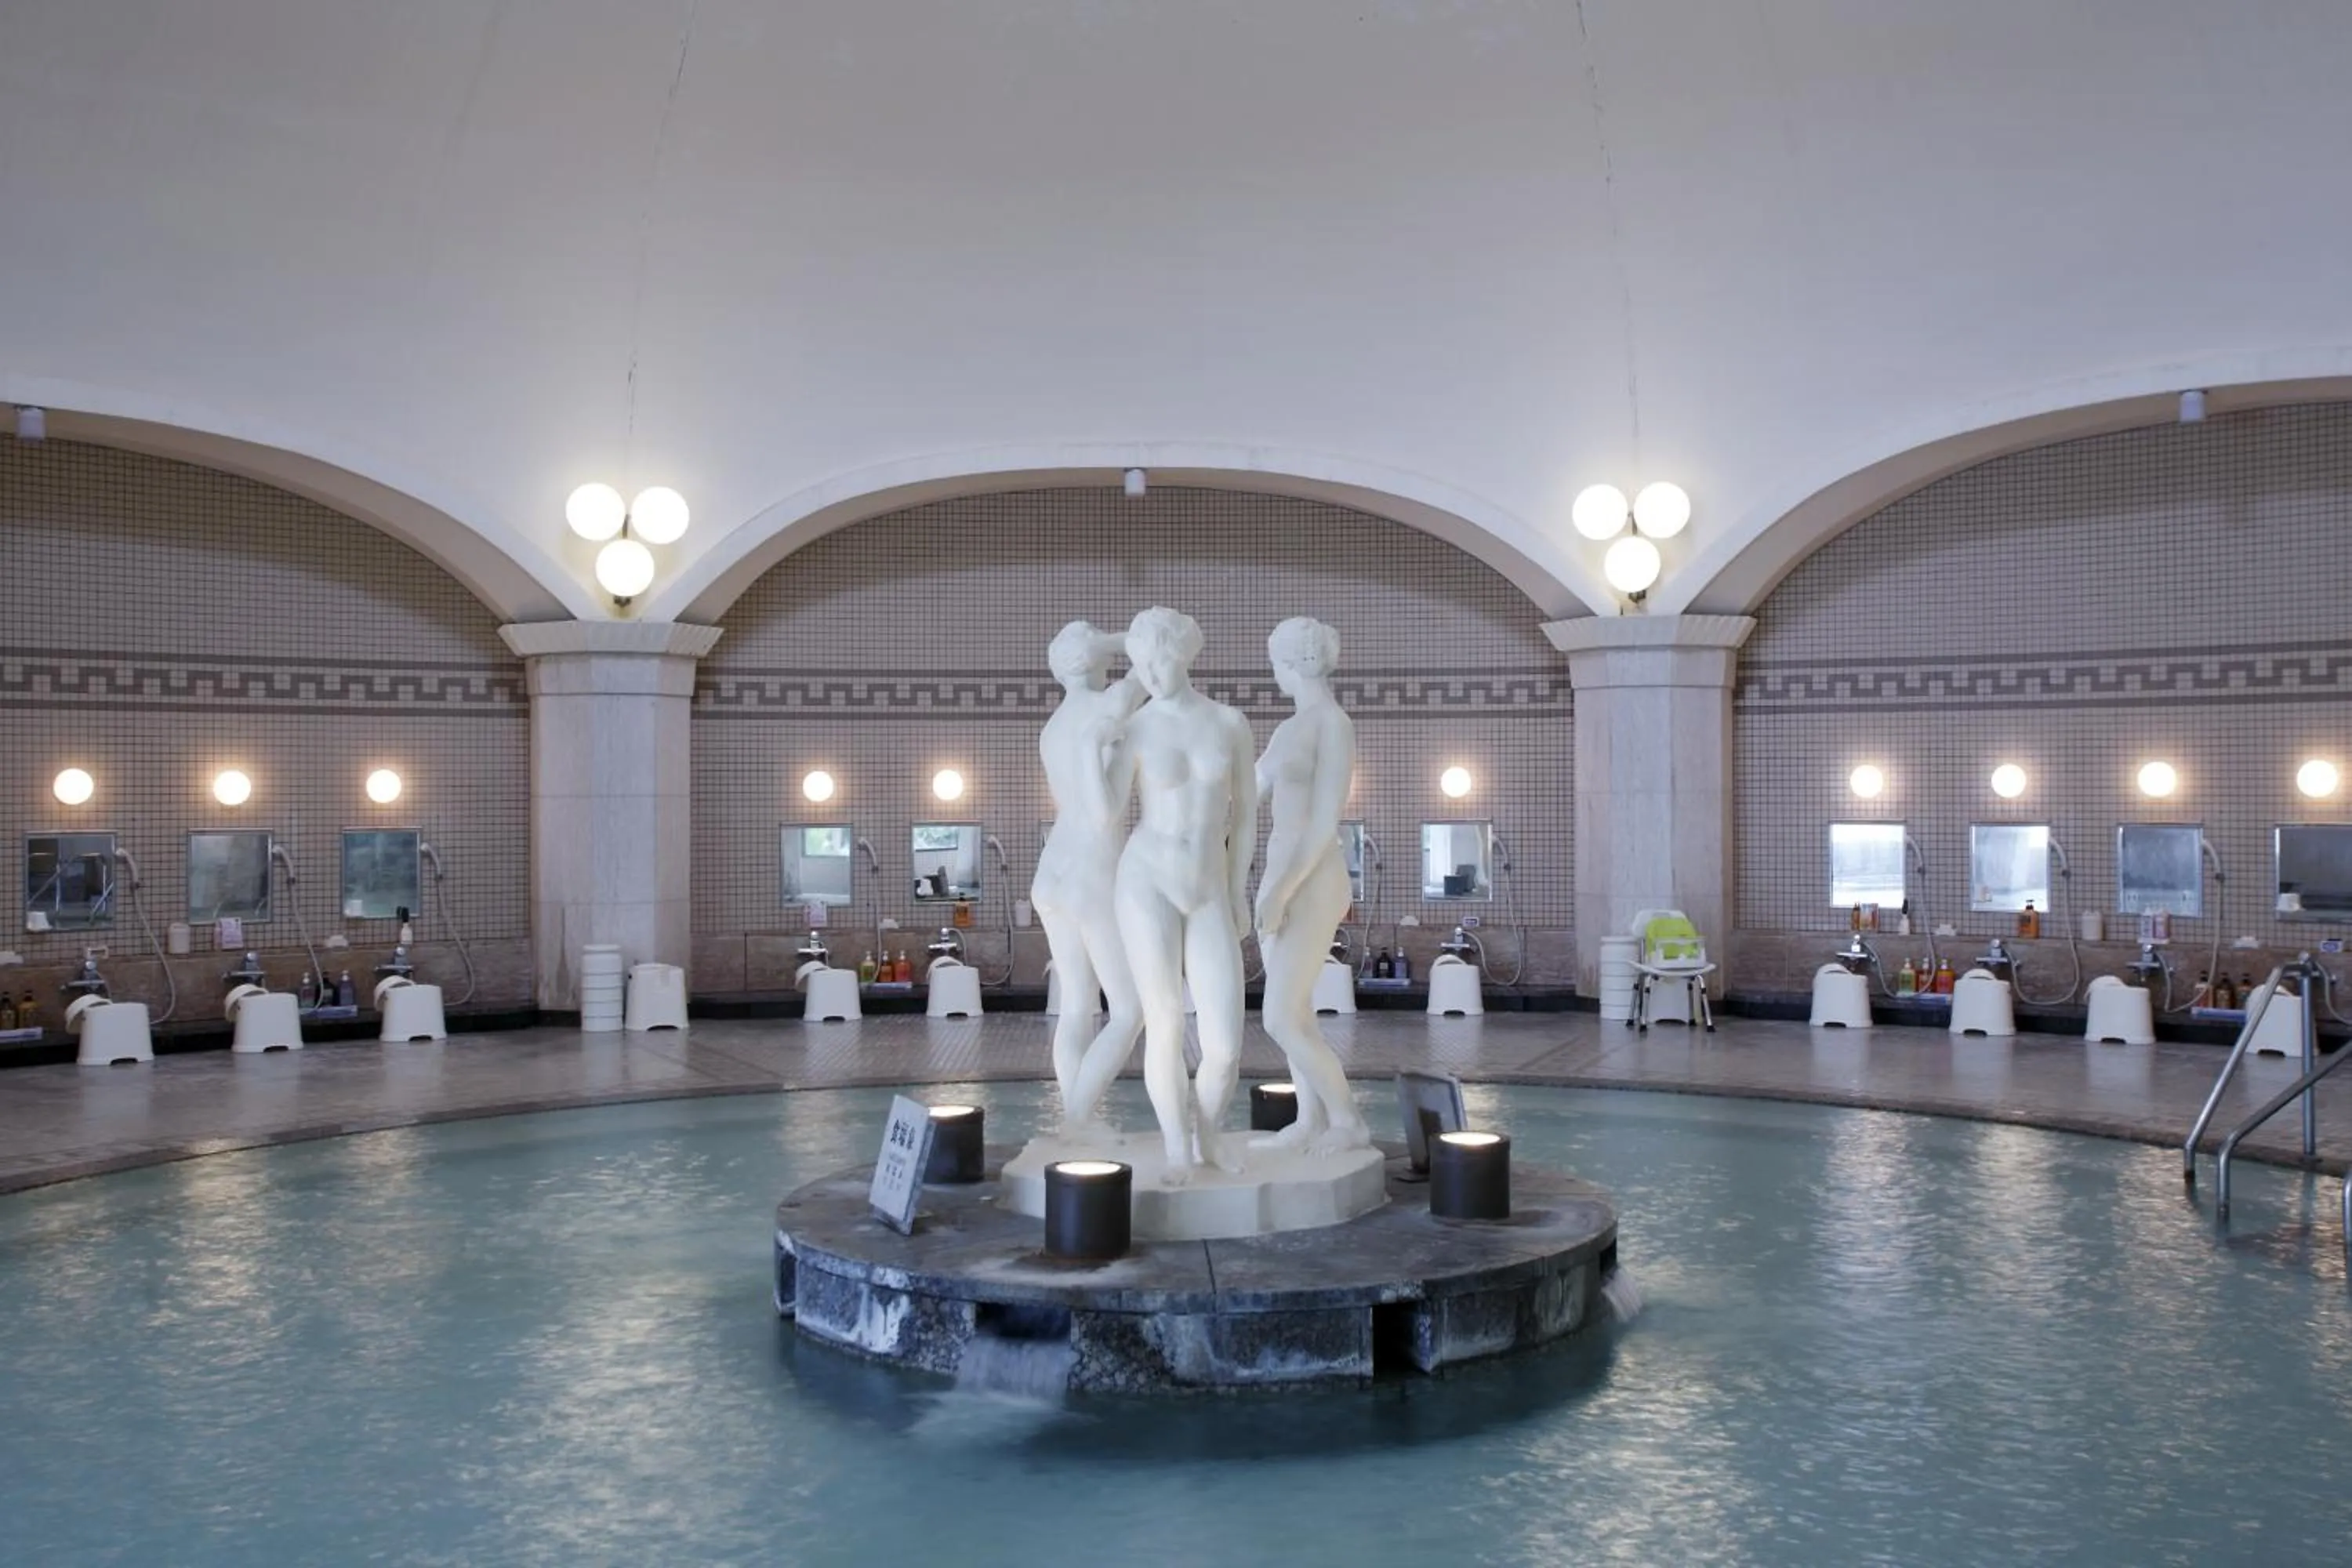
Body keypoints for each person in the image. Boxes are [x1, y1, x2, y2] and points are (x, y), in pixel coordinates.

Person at [1112, 606, 1257, 1183]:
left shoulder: (1229, 724)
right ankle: (1177, 1147)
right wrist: (1093, 748)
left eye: (1160, 658)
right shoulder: (1137, 727)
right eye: (1139, 662)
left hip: (1209, 888)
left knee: (1224, 1044)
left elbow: (1244, 816)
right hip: (1146, 877)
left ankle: (1210, 1132)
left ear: (1187, 654)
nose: (1149, 671)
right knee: (1166, 1018)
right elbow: (1102, 811)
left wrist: (1239, 889)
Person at [1250, 618, 1370, 1153]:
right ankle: (1309, 1119)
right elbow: (1246, 794)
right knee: (1294, 1012)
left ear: (1293, 662)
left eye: (1275, 661)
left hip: (1311, 878)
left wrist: (1281, 892)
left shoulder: (1331, 724)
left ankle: (1346, 1120)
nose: (1273, 672)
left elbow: (1324, 824)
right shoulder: (1288, 728)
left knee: (1278, 1015)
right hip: (1279, 875)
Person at [1032, 621, 1145, 1131]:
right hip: (1091, 870)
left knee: (1077, 1005)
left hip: (1051, 871)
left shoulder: (1053, 725)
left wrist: (1092, 647)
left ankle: (1076, 1119)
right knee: (1129, 1008)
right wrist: (1119, 641)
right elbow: (1154, 659)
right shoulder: (1106, 705)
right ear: (1095, 659)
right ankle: (1077, 1119)